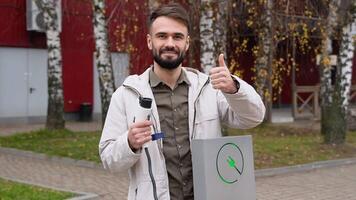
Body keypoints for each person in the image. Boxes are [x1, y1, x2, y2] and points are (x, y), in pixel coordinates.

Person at [99, 2, 265, 200]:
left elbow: (254, 117)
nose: (170, 43)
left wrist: (234, 89)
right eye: (162, 36)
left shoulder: (209, 88)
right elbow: (108, 158)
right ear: (150, 41)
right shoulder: (126, 95)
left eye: (177, 37)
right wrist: (130, 143)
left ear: (187, 43)